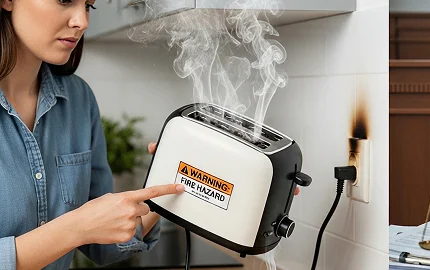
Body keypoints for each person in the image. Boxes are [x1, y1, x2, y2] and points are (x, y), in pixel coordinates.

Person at [0, 1, 298, 269]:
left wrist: (172, 183)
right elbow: (82, 229)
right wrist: (75, 228)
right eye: (65, 0)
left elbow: (102, 245)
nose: (82, 21)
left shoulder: (78, 100)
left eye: (89, 5)